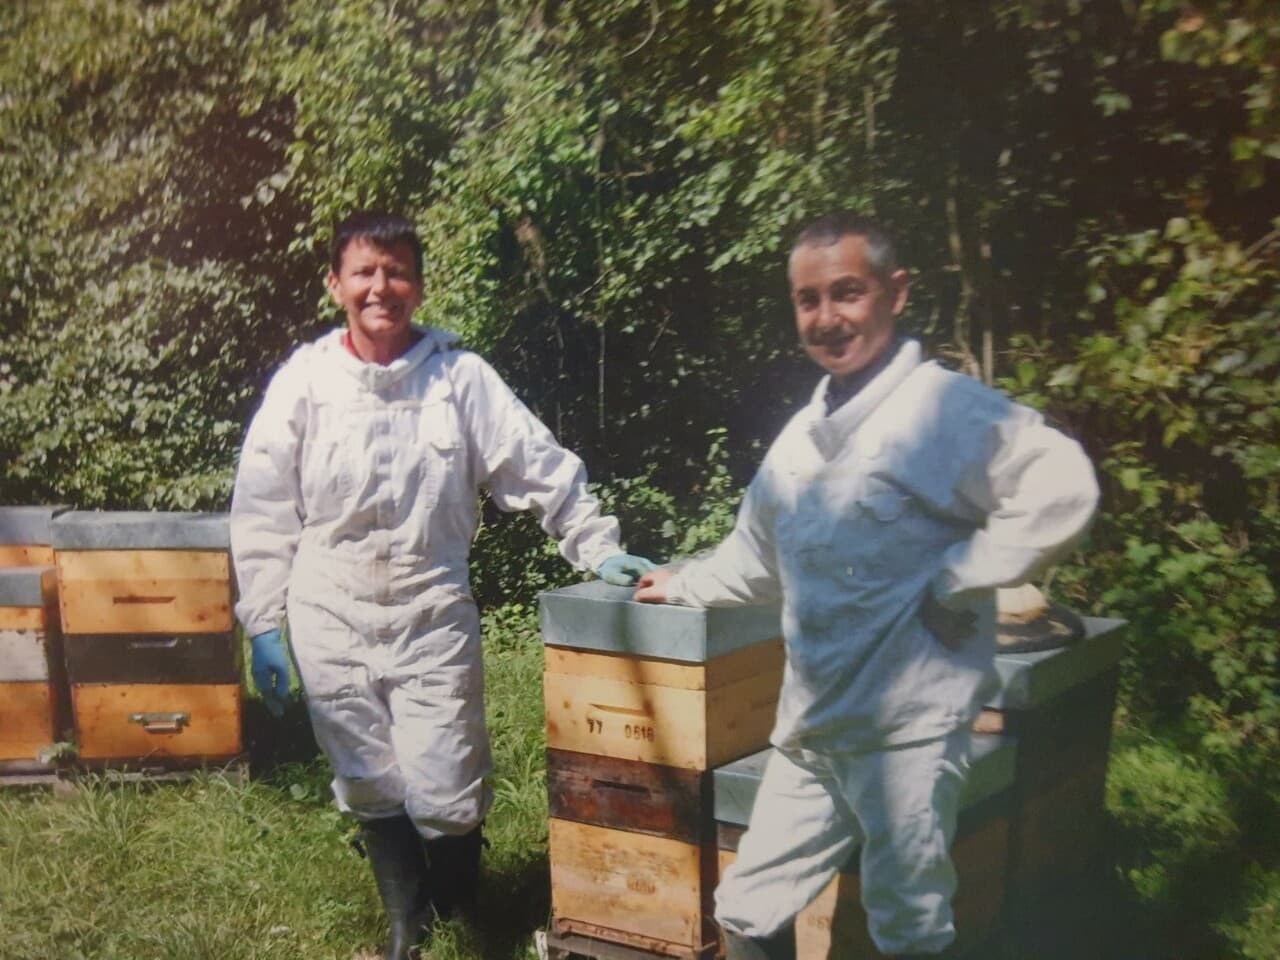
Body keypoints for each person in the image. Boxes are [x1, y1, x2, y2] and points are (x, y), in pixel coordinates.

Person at [634, 212, 1099, 959]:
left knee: (908, 926)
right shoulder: (798, 438)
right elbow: (757, 558)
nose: (827, 317)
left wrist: (959, 578)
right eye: (808, 299)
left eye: (847, 292)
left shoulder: (944, 408)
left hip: (909, 732)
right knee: (749, 908)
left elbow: (1061, 485)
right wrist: (684, 583)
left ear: (895, 291)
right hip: (814, 727)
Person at [229, 210, 655, 960]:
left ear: (418, 285)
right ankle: (409, 922)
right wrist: (263, 621)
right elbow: (262, 506)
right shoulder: (304, 383)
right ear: (336, 284)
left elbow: (537, 465)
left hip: (432, 604)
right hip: (328, 605)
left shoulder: (462, 379)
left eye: (396, 272)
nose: (379, 288)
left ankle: (461, 906)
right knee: (365, 772)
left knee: (450, 779)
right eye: (364, 271)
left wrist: (596, 545)